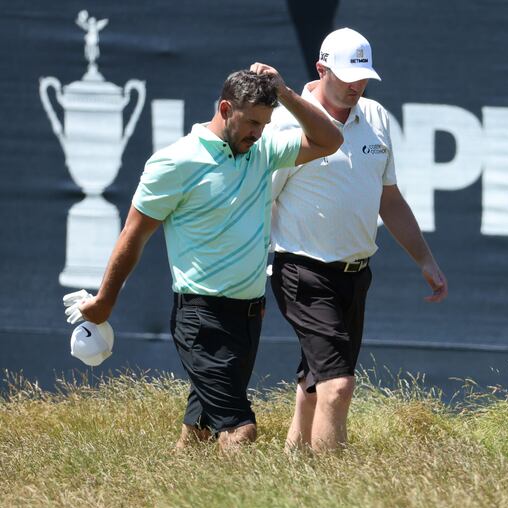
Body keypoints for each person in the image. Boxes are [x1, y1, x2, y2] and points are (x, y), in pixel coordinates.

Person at [72, 67, 343, 452]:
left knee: (199, 432)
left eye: (264, 123)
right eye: (251, 121)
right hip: (201, 317)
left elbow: (330, 139)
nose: (258, 132)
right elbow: (134, 235)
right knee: (240, 429)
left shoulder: (263, 152)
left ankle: (164, 498)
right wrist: (105, 300)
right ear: (225, 108)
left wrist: (284, 93)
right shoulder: (174, 162)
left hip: (249, 315)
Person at [267, 28, 448, 453]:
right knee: (338, 385)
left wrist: (425, 259)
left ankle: (291, 472)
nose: (356, 85)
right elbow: (261, 197)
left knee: (314, 382)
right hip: (302, 269)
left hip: (355, 273)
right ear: (321, 69)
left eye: (363, 76)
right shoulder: (286, 121)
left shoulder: (377, 116)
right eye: (347, 75)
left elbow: (388, 197)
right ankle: (335, 496)